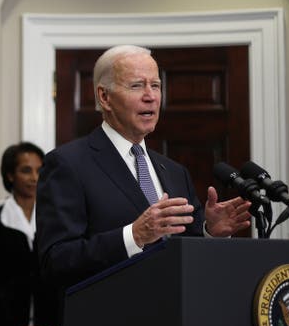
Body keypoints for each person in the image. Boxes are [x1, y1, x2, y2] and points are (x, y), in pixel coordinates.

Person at [36, 45, 252, 286]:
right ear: (104, 97)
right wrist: (134, 236)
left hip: (176, 316)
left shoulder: (174, 171)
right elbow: (55, 261)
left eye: (156, 85)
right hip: (106, 319)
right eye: (137, 85)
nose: (151, 96)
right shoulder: (68, 164)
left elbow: (187, 251)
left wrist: (209, 232)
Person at [0, 142, 60, 326]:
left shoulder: (59, 221)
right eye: (26, 170)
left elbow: (67, 275)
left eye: (40, 170)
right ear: (10, 174)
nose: (34, 178)